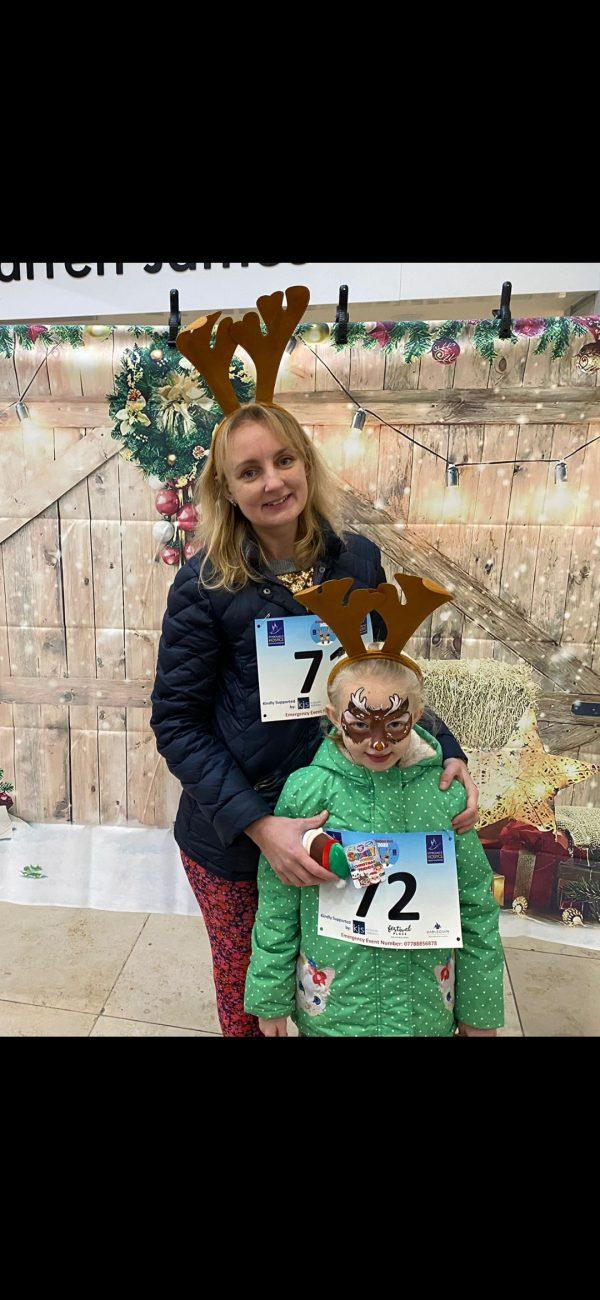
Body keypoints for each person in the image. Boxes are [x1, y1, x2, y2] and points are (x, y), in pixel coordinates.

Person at [151, 285, 480, 1038]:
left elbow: (383, 674)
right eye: (249, 471)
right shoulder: (204, 586)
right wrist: (261, 826)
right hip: (237, 838)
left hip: (350, 809)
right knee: (255, 1001)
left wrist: (447, 749)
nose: (272, 482)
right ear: (227, 491)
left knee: (340, 996)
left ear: (305, 464)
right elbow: (177, 722)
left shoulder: (356, 559)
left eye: (283, 460)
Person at [244, 634, 504, 1038]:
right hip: (335, 1009)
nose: (378, 742)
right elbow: (278, 904)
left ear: (417, 715)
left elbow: (474, 905)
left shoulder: (443, 797)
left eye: (395, 725)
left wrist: (479, 1009)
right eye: (360, 725)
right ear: (334, 717)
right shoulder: (306, 793)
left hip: (423, 1008)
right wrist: (270, 997)